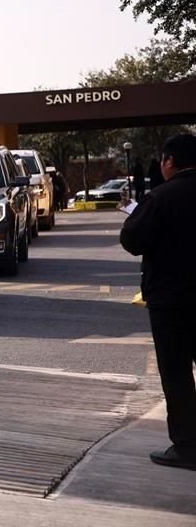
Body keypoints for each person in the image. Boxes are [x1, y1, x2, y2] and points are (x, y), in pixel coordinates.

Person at [119, 133, 196, 471]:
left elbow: (132, 240)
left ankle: (187, 445)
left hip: (172, 301)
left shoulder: (161, 197)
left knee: (177, 373)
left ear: (169, 161)